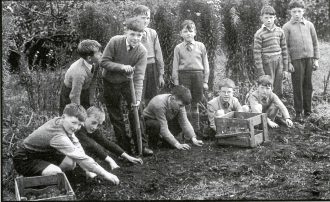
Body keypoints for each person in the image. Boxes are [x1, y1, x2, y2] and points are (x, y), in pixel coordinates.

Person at [13, 103, 119, 185]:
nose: (75, 127)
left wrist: (88, 170)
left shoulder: (61, 122)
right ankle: (34, 181)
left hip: (41, 154)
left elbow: (77, 146)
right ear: (63, 117)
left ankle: (46, 174)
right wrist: (105, 174)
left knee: (71, 163)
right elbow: (81, 157)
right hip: (25, 158)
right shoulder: (58, 136)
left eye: (79, 125)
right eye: (73, 123)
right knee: (56, 172)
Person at [100, 18, 153, 156]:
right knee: (116, 115)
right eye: (132, 34)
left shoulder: (142, 51)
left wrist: (138, 98)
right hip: (110, 81)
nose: (136, 38)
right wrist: (121, 67)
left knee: (136, 111)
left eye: (139, 35)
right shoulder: (115, 41)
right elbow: (104, 62)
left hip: (127, 82)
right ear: (126, 33)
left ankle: (141, 145)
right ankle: (124, 148)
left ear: (143, 35)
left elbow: (139, 76)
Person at [76, 106, 143, 178]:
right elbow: (92, 145)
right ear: (85, 117)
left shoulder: (92, 129)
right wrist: (111, 161)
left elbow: (106, 143)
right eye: (93, 123)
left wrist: (128, 157)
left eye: (98, 125)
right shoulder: (77, 128)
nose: (95, 127)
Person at [282, 0, 319, 122]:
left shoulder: (309, 25)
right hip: (296, 60)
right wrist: (288, 62)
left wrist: (316, 59)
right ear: (290, 12)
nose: (297, 14)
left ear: (303, 11)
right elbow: (285, 47)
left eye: (299, 11)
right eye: (294, 11)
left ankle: (308, 111)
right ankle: (298, 113)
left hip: (309, 59)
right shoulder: (287, 27)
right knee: (297, 86)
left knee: (308, 85)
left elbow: (315, 43)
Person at [172, 20, 210, 134]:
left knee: (195, 103)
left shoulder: (201, 46)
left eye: (191, 31)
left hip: (198, 75)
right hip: (184, 76)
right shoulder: (178, 48)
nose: (188, 34)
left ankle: (196, 129)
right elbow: (175, 66)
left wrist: (205, 81)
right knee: (185, 103)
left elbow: (206, 64)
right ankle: (187, 130)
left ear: (195, 33)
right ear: (181, 34)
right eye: (185, 31)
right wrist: (176, 82)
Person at [143, 85, 204, 150]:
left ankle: (165, 140)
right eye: (180, 105)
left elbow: (184, 121)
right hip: (150, 121)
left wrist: (193, 138)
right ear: (173, 99)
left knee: (188, 116)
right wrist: (177, 144)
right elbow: (163, 127)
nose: (181, 108)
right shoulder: (159, 104)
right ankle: (152, 145)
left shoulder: (178, 103)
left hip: (165, 120)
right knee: (156, 124)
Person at [253, 5, 289, 98]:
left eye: (271, 17)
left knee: (278, 87)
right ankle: (267, 111)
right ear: (261, 18)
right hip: (267, 63)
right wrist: (261, 72)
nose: (269, 20)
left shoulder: (280, 31)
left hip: (279, 63)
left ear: (275, 18)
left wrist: (285, 68)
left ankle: (277, 109)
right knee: (268, 87)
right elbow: (257, 54)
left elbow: (284, 49)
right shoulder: (259, 34)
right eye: (266, 18)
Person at [133, 5, 165, 106]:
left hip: (152, 67)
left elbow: (158, 54)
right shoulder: (132, 34)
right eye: (143, 18)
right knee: (138, 96)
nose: (146, 21)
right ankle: (139, 120)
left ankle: (150, 119)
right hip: (138, 67)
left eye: (148, 18)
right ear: (135, 18)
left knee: (152, 97)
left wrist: (161, 74)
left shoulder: (152, 33)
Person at [59, 40, 102, 114]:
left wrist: (91, 100)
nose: (101, 54)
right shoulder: (79, 72)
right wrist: (77, 113)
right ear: (89, 58)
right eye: (98, 53)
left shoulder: (95, 63)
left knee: (86, 111)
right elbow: (74, 96)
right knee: (69, 116)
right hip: (70, 92)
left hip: (84, 89)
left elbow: (93, 82)